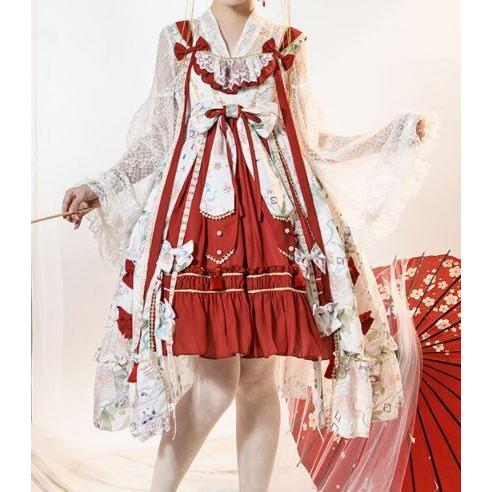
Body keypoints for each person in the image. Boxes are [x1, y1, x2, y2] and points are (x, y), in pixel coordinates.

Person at [62, 1, 432, 490]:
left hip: (271, 230)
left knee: (258, 383)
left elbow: (311, 142)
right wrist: (101, 186)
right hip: (198, 229)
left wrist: (388, 137)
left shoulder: (287, 44)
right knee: (214, 387)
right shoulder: (179, 40)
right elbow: (159, 138)